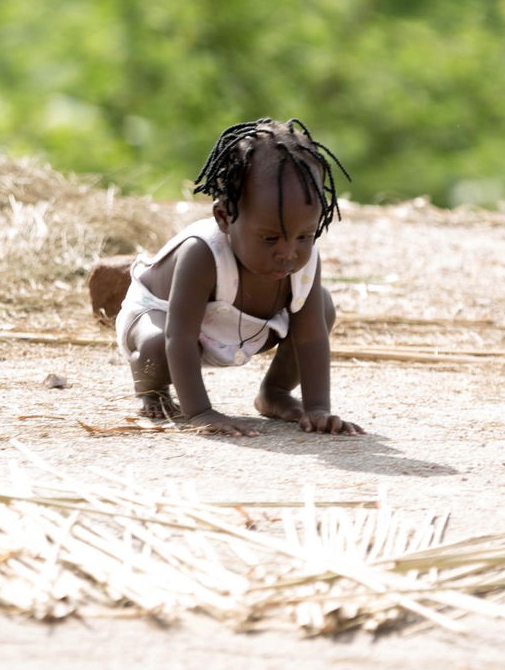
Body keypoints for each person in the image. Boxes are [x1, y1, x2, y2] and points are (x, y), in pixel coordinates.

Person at [116, 118, 363, 437]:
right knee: (155, 345)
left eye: (305, 235)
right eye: (271, 238)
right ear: (224, 217)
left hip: (245, 328)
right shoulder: (202, 254)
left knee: (321, 308)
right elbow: (179, 336)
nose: (288, 253)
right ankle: (153, 390)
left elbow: (311, 337)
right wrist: (201, 412)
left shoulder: (303, 260)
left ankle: (275, 392)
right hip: (165, 320)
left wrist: (318, 409)